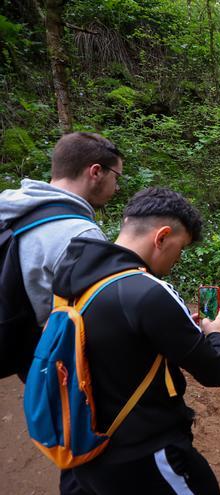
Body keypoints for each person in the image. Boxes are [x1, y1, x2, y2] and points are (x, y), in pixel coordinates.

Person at [53, 187, 220, 494]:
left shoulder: (73, 274)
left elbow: (113, 342)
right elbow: (214, 371)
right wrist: (215, 333)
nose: (178, 257)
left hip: (82, 446)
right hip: (143, 451)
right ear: (162, 237)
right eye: (181, 247)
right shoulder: (148, 291)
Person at [0, 131, 123, 494]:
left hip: (17, 338)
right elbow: (102, 320)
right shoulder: (78, 234)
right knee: (84, 440)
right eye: (117, 177)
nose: (118, 187)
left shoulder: (11, 207)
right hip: (53, 357)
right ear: (96, 172)